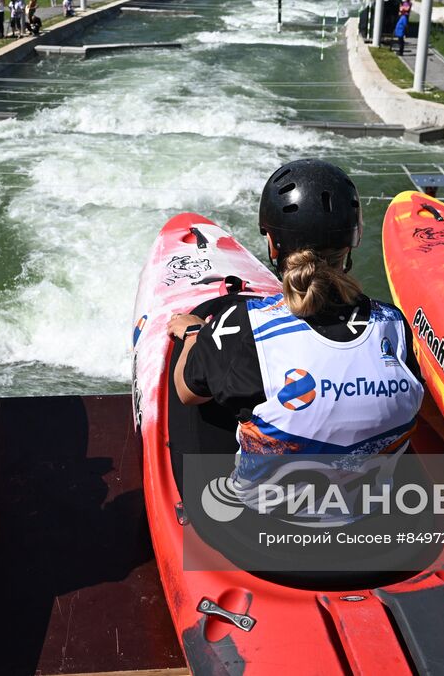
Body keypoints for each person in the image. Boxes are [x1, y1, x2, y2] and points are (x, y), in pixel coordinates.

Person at [169, 159, 425, 496]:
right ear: (352, 243)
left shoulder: (247, 325)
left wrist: (193, 335)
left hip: (265, 526)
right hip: (371, 515)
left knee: (193, 384)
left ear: (274, 244)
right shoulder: (392, 324)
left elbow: (187, 393)